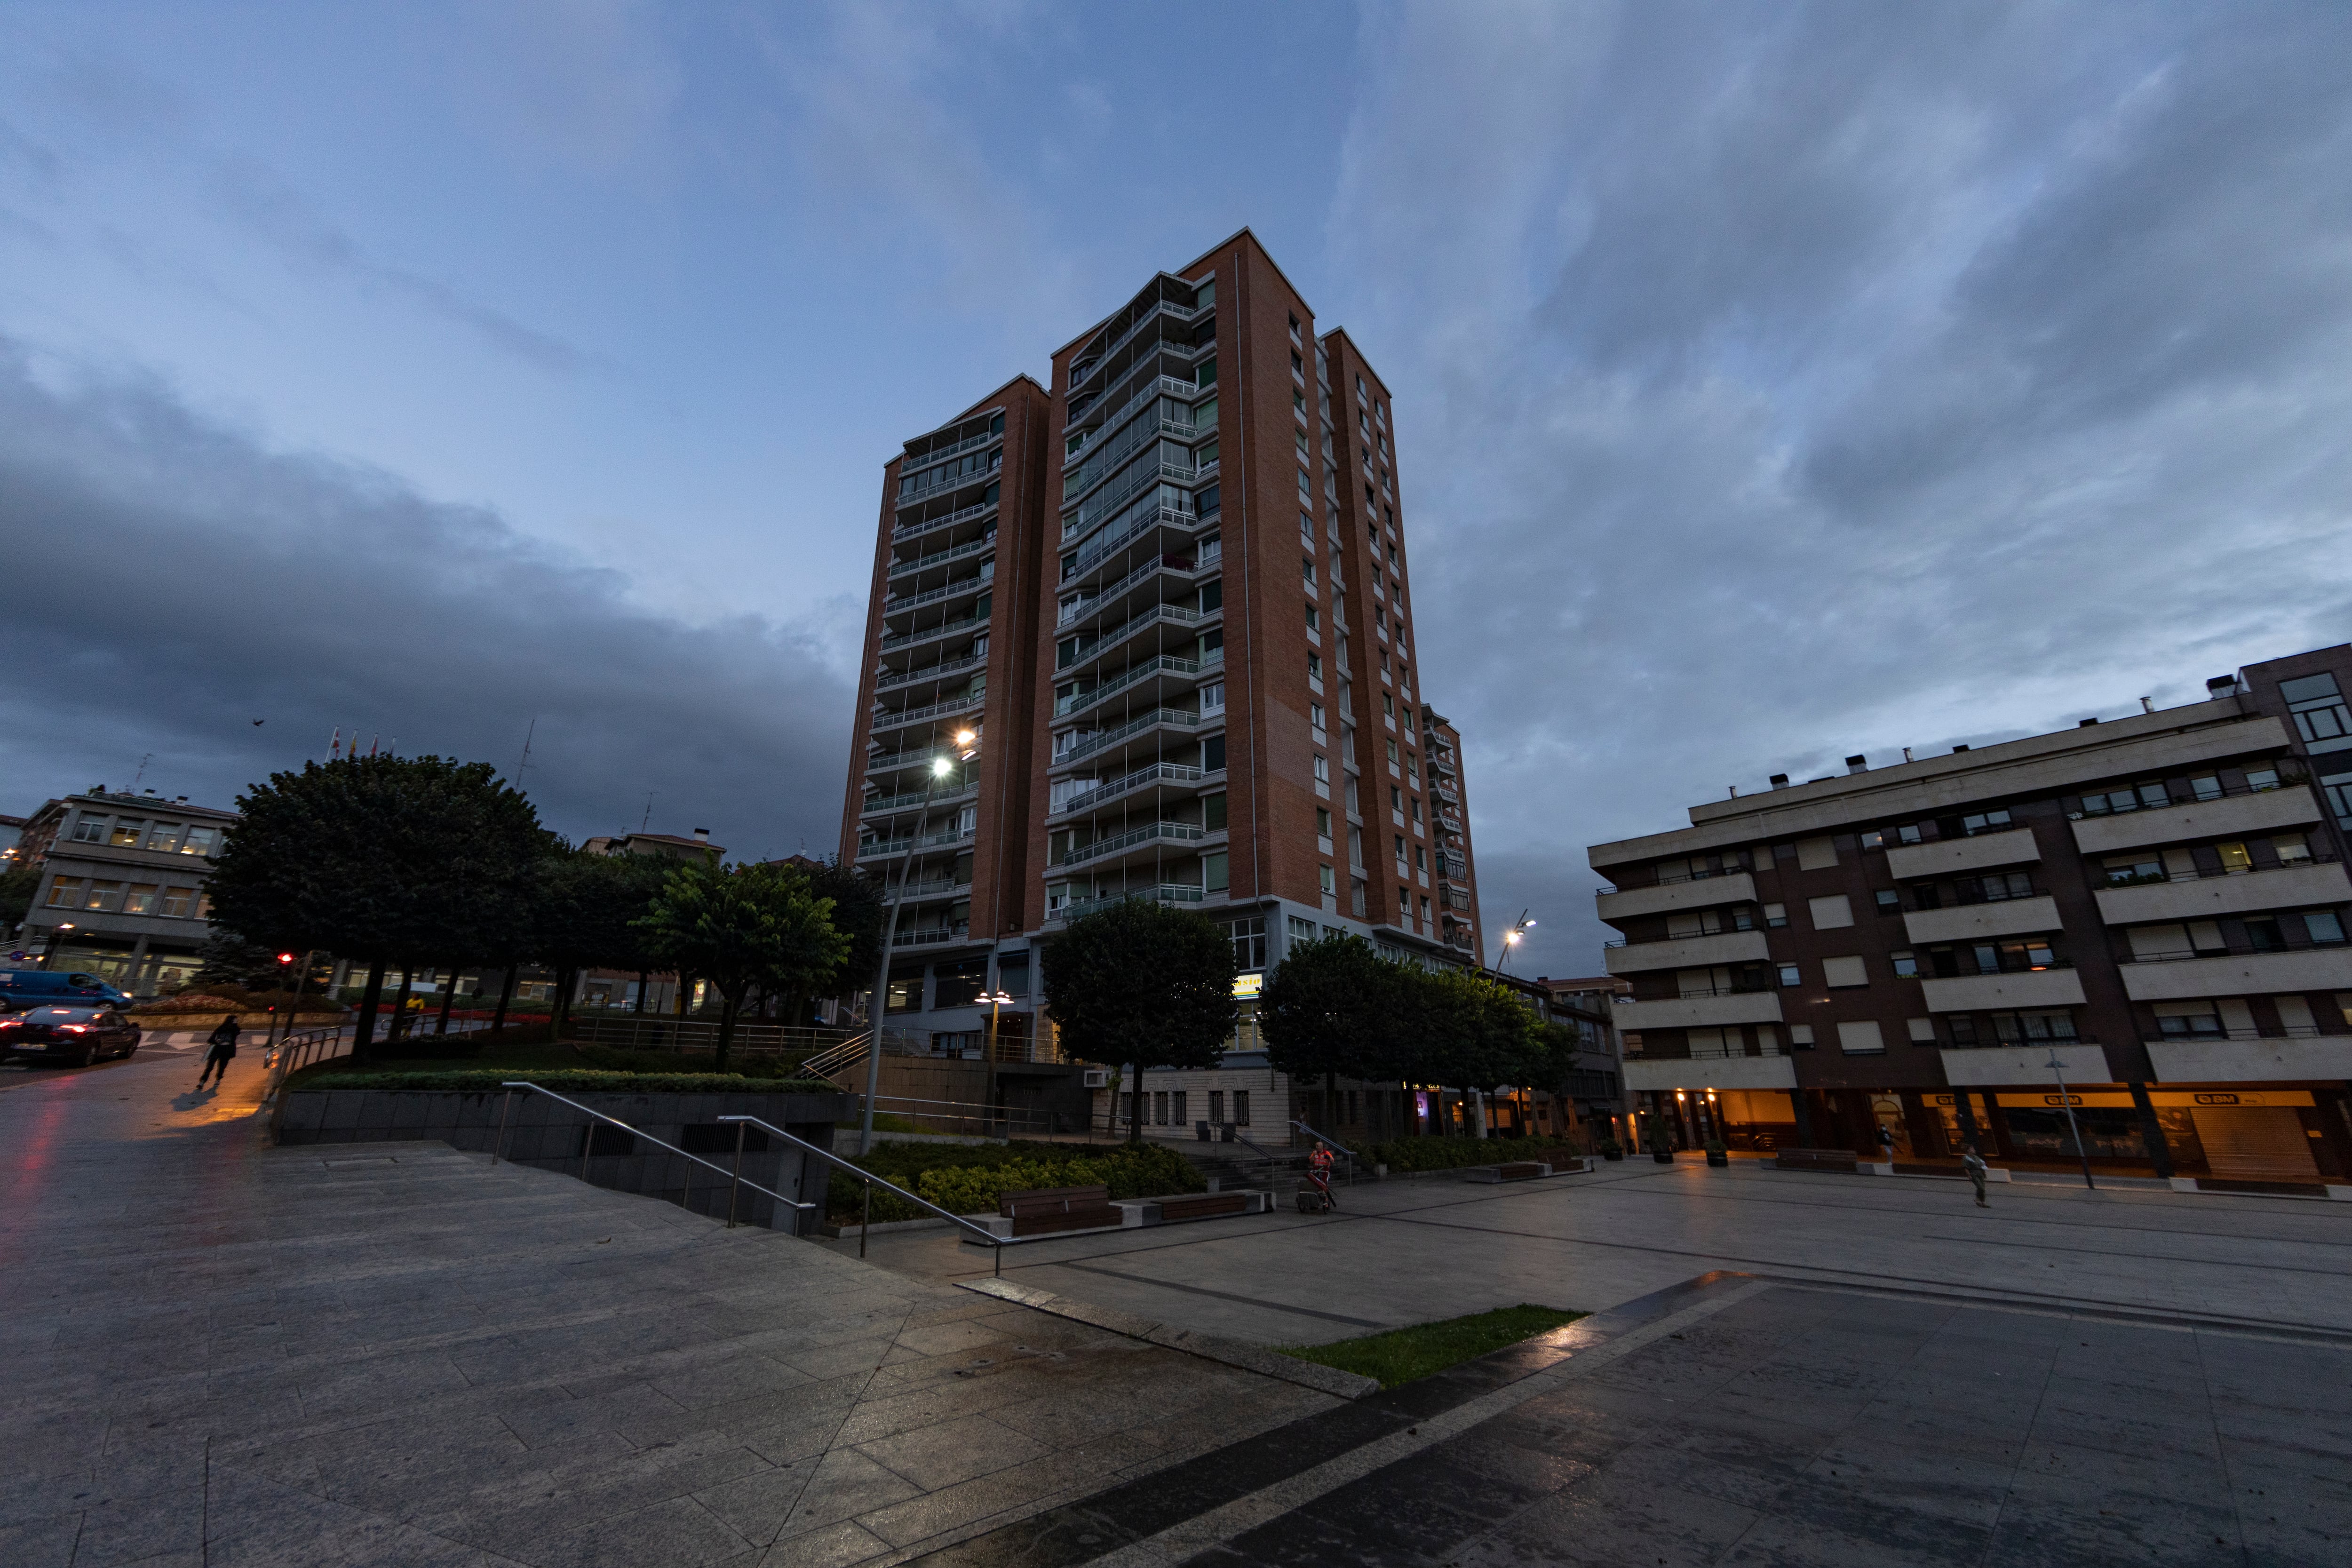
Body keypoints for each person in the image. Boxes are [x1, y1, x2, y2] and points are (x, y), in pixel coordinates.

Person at [197, 1015, 240, 1090]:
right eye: (235, 1020)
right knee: (210, 1067)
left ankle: (218, 1079)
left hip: (227, 1050)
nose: (237, 1021)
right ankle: (203, 1082)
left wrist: (235, 1024)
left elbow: (237, 1032)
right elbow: (210, 1040)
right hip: (217, 1049)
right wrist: (216, 1041)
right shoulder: (220, 1029)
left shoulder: (235, 1029)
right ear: (231, 1020)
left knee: (222, 1067)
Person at [1961, 1142, 1990, 1208]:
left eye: (1974, 1149)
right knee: (1980, 1187)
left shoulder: (1976, 1157)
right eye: (1972, 1149)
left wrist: (1984, 1169)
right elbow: (1966, 1167)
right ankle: (1977, 1199)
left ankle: (1983, 1203)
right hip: (1973, 1173)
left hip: (1980, 1173)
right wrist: (1969, 1175)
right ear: (1968, 1150)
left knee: (1983, 1189)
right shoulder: (1966, 1158)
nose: (1974, 1150)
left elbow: (1981, 1165)